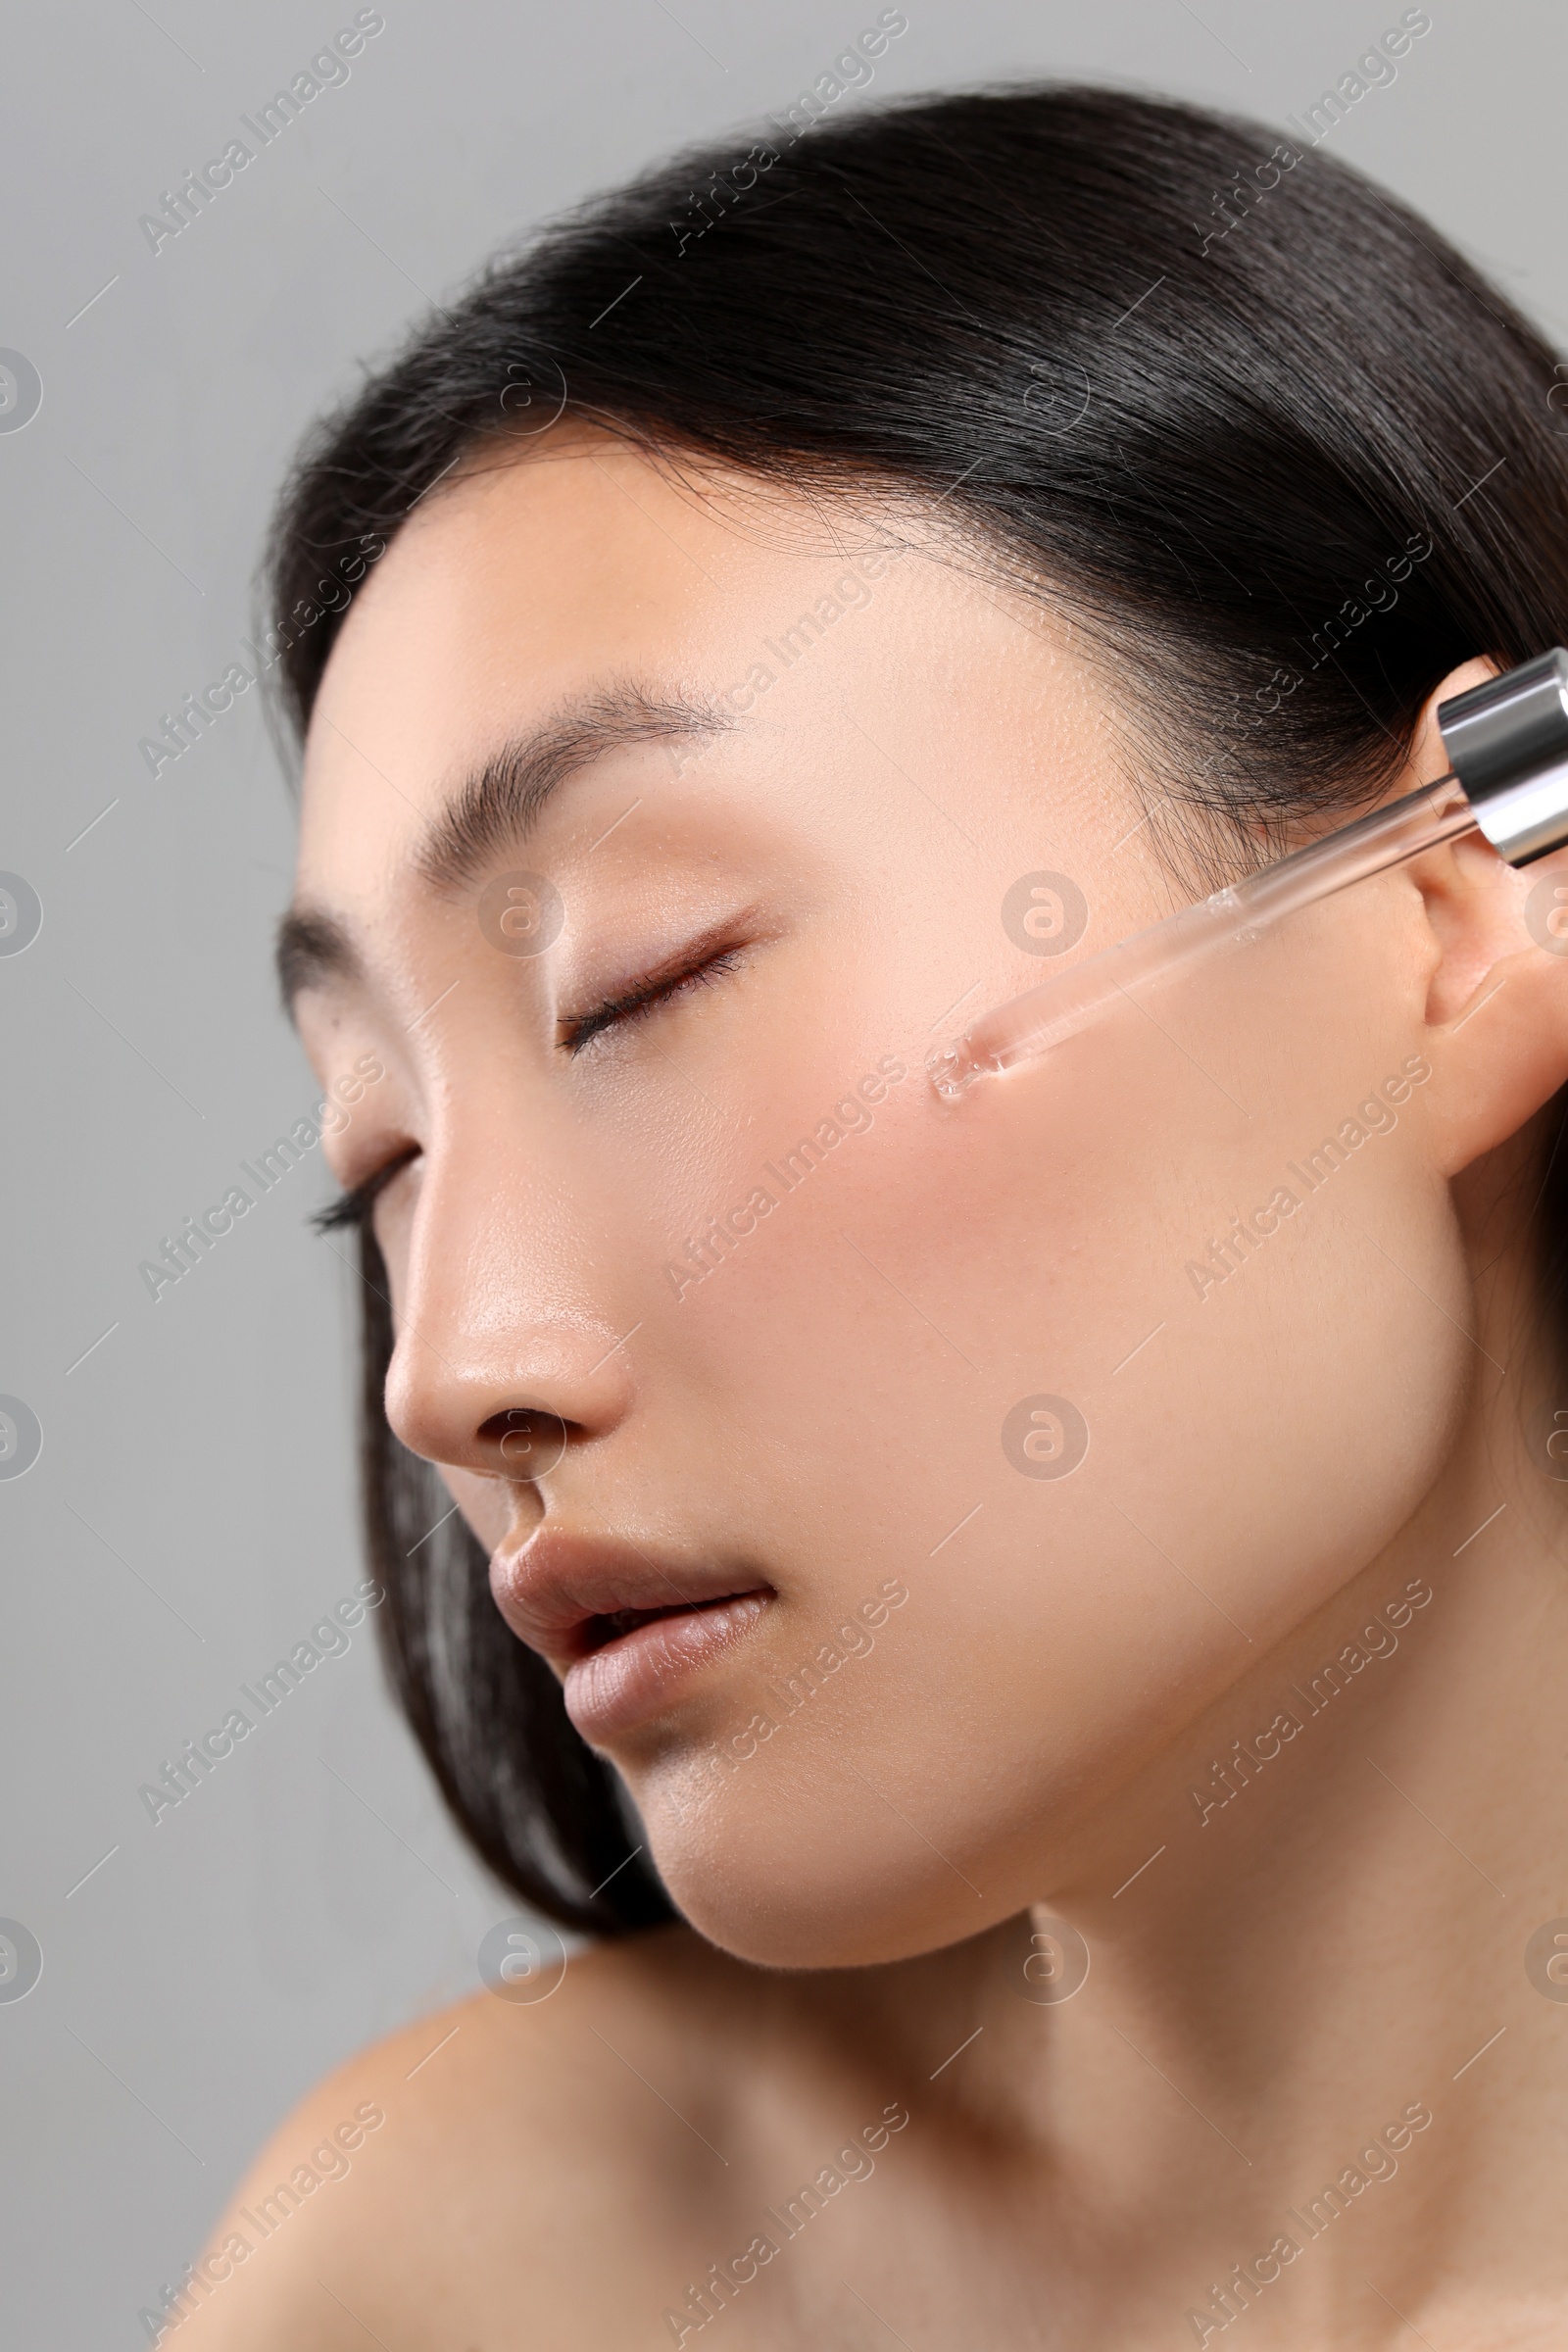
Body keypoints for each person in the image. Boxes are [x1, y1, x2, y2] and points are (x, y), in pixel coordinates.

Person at [172, 83, 1568, 2350]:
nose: (451, 1370)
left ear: (1445, 912)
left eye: (646, 977)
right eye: (378, 1161)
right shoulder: (457, 2275)